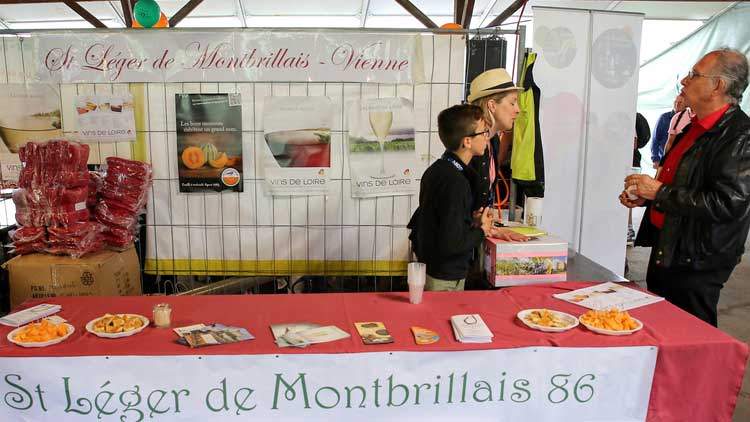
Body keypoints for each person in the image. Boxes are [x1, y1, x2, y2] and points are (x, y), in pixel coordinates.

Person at [620, 48, 750, 326]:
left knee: (690, 329)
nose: (684, 81)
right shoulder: (694, 126)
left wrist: (659, 193)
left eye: (694, 75)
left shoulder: (740, 136)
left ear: (718, 86)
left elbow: (728, 202)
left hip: (698, 256)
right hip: (670, 243)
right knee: (662, 324)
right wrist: (648, 197)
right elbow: (684, 183)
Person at [411, 104, 528, 291]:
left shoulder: (438, 170)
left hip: (435, 269)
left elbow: (442, 222)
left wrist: (470, 221)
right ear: (467, 141)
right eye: (483, 132)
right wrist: (482, 230)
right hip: (445, 279)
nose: (487, 137)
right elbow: (451, 243)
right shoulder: (455, 182)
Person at [468, 68, 522, 209]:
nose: (518, 110)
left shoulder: (493, 141)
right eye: (512, 103)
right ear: (492, 105)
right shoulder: (470, 145)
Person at [650, 96, 683, 167]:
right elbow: (655, 139)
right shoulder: (664, 118)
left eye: (680, 103)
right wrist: (655, 159)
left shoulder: (688, 119)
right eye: (675, 102)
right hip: (663, 158)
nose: (677, 104)